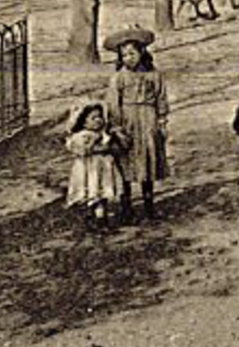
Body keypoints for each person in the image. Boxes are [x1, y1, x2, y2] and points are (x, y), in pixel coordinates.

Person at [103, 28, 168, 223]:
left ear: (142, 53)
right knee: (127, 163)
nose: (129, 58)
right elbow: (113, 104)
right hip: (128, 121)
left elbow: (160, 97)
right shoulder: (119, 78)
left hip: (148, 120)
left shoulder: (153, 75)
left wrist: (162, 121)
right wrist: (116, 127)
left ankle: (149, 207)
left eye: (132, 53)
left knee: (147, 161)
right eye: (124, 55)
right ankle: (127, 208)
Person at [65, 101, 126, 233]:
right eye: (93, 118)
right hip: (89, 170)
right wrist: (98, 144)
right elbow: (82, 150)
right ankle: (91, 220)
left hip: (102, 169)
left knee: (101, 194)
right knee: (91, 193)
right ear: (84, 122)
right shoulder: (81, 136)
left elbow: (114, 147)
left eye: (100, 117)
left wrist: (113, 140)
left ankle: (101, 221)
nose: (98, 120)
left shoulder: (104, 134)